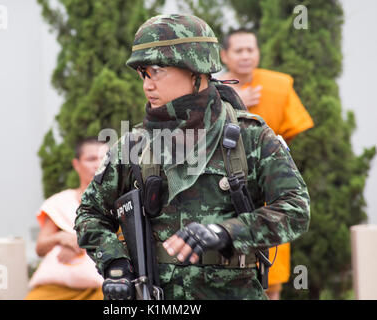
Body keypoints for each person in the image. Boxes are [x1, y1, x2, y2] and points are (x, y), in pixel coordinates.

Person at [75, 14, 310, 300]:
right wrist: (115, 264)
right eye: (143, 73)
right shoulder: (134, 144)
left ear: (196, 71)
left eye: (157, 70)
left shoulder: (251, 137)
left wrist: (225, 233)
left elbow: (295, 209)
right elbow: (90, 214)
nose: (147, 84)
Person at [219, 29, 314, 299]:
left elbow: (288, 137)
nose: (247, 56)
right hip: (226, 189)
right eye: (239, 50)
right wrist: (236, 104)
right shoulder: (212, 89)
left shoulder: (279, 85)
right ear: (225, 55)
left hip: (267, 192)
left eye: (251, 49)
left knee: (272, 277)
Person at [25, 137, 108, 300]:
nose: (97, 164)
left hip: (101, 285)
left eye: (104, 159)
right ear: (76, 164)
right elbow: (40, 248)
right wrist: (61, 237)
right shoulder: (60, 202)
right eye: (91, 159)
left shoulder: (119, 202)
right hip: (57, 287)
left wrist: (80, 244)